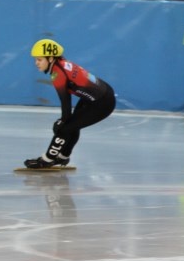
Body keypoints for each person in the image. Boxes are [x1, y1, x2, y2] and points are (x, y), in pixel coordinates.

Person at [24, 39, 116, 169]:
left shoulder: (58, 73)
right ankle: (63, 157)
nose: (36, 63)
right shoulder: (62, 63)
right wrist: (64, 120)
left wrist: (62, 122)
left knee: (64, 128)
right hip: (101, 94)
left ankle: (47, 160)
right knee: (71, 125)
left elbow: (65, 103)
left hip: (102, 103)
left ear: (50, 58)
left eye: (39, 59)